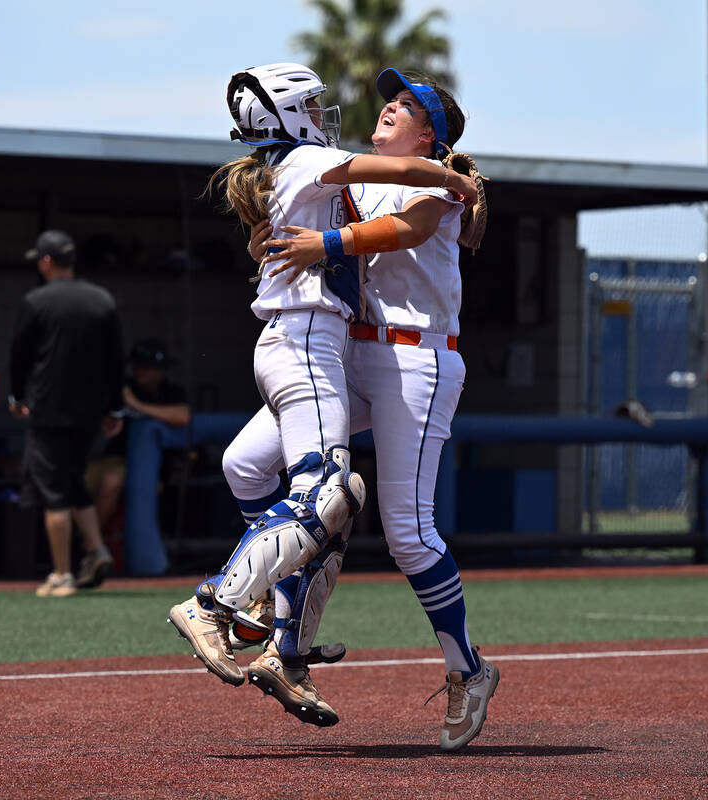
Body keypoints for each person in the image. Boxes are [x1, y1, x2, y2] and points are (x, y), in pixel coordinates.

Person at [166, 62, 479, 726]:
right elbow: (303, 221)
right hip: (350, 351)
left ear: (433, 134)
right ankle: (279, 623)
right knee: (249, 465)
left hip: (416, 357)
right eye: (390, 101)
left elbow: (410, 229)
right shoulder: (345, 173)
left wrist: (327, 241)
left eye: (409, 105)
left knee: (409, 534)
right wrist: (271, 239)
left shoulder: (445, 175)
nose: (390, 107)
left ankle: (467, 670)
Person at [9, 229, 124, 598]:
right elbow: (115, 360)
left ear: (45, 262)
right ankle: (96, 550)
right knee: (72, 478)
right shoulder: (102, 300)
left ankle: (61, 574)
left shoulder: (36, 301)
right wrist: (114, 407)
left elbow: (19, 356)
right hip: (89, 411)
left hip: (48, 407)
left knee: (53, 488)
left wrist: (15, 395)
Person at [86, 337, 191, 539]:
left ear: (161, 369)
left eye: (148, 367)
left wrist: (135, 404)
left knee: (111, 481)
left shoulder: (170, 392)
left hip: (152, 468)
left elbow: (183, 416)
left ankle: (90, 546)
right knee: (72, 481)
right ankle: (78, 540)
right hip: (114, 458)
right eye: (138, 366)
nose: (141, 371)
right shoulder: (124, 388)